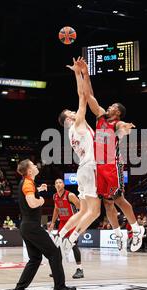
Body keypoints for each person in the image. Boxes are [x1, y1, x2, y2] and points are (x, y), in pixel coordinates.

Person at [79, 58, 145, 252]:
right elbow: (88, 94)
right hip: (98, 166)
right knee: (107, 204)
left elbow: (123, 127)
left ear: (118, 112)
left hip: (112, 164)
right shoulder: (100, 117)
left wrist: (127, 126)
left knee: (118, 199)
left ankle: (136, 229)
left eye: (113, 106)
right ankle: (118, 235)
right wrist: (84, 73)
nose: (109, 107)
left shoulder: (115, 124)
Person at [11, 160, 76, 290]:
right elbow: (32, 202)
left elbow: (28, 194)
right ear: (29, 171)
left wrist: (38, 189)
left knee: (35, 259)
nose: (36, 166)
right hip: (32, 227)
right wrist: (40, 200)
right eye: (33, 165)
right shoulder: (28, 183)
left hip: (26, 226)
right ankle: (59, 288)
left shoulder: (27, 183)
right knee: (54, 253)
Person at [56, 57, 102, 253]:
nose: (75, 111)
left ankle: (60, 236)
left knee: (83, 210)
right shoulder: (78, 123)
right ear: (69, 118)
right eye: (71, 111)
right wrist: (80, 73)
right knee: (95, 211)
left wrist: (78, 73)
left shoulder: (70, 132)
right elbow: (82, 96)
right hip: (90, 166)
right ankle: (72, 239)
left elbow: (82, 96)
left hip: (83, 169)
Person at [49, 178, 84, 279]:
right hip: (63, 223)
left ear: (63, 185)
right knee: (57, 245)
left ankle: (80, 269)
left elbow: (82, 209)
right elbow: (56, 209)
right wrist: (53, 223)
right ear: (55, 186)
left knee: (73, 244)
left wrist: (82, 224)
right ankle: (57, 269)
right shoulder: (55, 196)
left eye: (60, 182)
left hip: (73, 222)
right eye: (56, 183)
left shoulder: (70, 195)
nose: (58, 184)